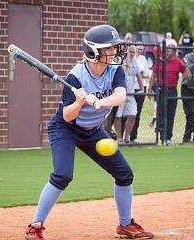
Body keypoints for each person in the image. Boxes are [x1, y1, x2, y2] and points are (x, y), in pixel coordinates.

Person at [25, 25, 154, 240]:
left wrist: (99, 101)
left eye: (115, 47)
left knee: (124, 174)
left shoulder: (115, 71)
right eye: (109, 49)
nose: (115, 52)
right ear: (94, 52)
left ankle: (125, 225)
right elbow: (67, 115)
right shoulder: (75, 77)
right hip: (65, 128)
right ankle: (35, 226)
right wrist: (78, 101)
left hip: (93, 131)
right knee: (62, 175)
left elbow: (121, 96)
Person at [149, 39, 192, 145]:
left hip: (172, 91)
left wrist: (185, 65)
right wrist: (150, 90)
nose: (167, 52)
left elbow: (188, 77)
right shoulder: (160, 61)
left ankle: (168, 138)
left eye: (169, 50)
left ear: (174, 51)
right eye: (166, 50)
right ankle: (161, 136)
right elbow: (153, 76)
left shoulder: (178, 62)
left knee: (171, 115)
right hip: (160, 90)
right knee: (161, 114)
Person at [114, 45, 142, 144]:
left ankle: (127, 138)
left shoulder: (135, 62)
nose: (132, 54)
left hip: (130, 94)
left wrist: (141, 89)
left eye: (133, 52)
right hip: (120, 93)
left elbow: (139, 76)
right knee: (118, 116)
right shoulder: (119, 60)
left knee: (133, 114)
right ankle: (119, 138)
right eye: (130, 51)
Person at [130, 44, 148, 143]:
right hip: (131, 89)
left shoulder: (143, 59)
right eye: (138, 49)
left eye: (142, 49)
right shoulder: (130, 59)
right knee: (128, 113)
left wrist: (141, 75)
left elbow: (147, 74)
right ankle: (125, 136)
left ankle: (133, 136)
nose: (140, 51)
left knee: (137, 113)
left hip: (141, 89)